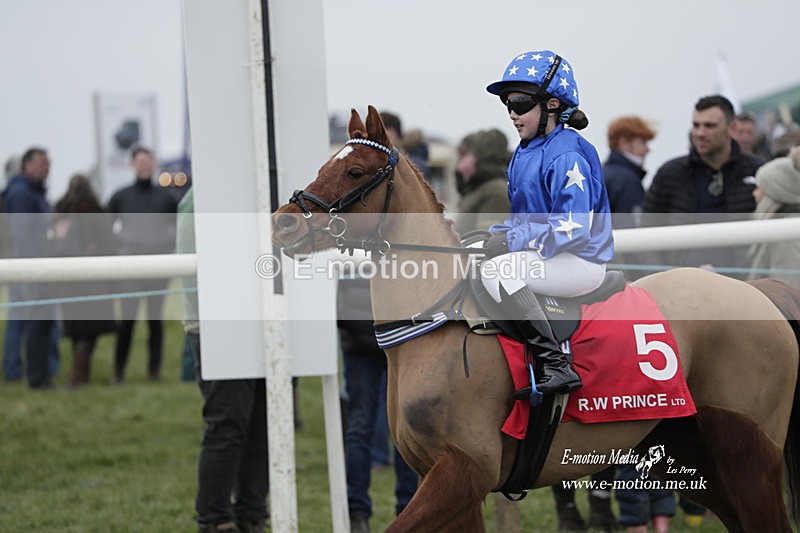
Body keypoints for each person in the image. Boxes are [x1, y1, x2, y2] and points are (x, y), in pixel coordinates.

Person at [481, 49, 614, 395]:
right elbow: (523, 221)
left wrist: (512, 241)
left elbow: (573, 228)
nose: (512, 113)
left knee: (499, 272)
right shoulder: (525, 151)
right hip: (550, 256)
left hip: (579, 261)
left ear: (552, 105)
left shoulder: (568, 153)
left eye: (521, 104)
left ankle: (556, 364)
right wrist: (493, 237)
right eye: (507, 104)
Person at [178, 187, 269, 533]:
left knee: (263, 425)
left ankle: (252, 514)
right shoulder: (198, 197)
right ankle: (215, 518)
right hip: (215, 326)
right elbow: (191, 270)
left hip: (263, 322)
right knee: (227, 426)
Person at [642, 95, 763, 275]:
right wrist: (667, 278)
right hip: (683, 287)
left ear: (732, 128)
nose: (700, 133)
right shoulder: (670, 174)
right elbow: (646, 233)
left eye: (709, 126)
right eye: (696, 125)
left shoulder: (758, 172)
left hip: (747, 287)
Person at [337, 269, 418, 533]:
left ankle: (358, 513)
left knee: (362, 426)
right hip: (395, 332)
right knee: (404, 427)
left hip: (368, 333)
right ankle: (406, 509)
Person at [107, 146, 178, 383]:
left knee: (154, 321)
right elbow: (106, 228)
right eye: (140, 161)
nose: (144, 165)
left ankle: (154, 372)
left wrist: (167, 251)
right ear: (133, 164)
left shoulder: (166, 198)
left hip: (157, 268)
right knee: (127, 321)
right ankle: (118, 372)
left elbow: (177, 230)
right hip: (130, 268)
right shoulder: (120, 196)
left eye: (148, 161)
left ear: (153, 164)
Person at [51, 174, 118, 387]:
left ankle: (80, 373)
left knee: (76, 330)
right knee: (89, 330)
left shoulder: (61, 211)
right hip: (92, 279)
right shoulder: (97, 212)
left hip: (69, 279)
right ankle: (79, 373)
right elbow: (109, 246)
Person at [1, 147, 59, 388]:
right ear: (28, 165)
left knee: (29, 320)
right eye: (43, 164)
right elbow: (22, 235)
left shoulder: (30, 192)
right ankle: (29, 375)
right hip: (29, 268)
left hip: (31, 266)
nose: (48, 169)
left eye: (49, 164)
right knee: (28, 321)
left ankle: (30, 373)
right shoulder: (21, 194)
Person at [603, 115, 658, 280]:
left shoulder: (603, 172)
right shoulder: (627, 181)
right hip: (625, 272)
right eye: (643, 142)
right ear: (623, 143)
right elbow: (633, 231)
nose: (647, 150)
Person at [748, 147, 800, 288]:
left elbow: (788, 295)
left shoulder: (786, 236)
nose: (755, 193)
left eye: (761, 187)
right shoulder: (783, 228)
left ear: (777, 194)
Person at [453, 128, 512, 236]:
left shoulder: (494, 192)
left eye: (463, 156)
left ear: (479, 157)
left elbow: (486, 240)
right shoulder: (479, 189)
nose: (459, 165)